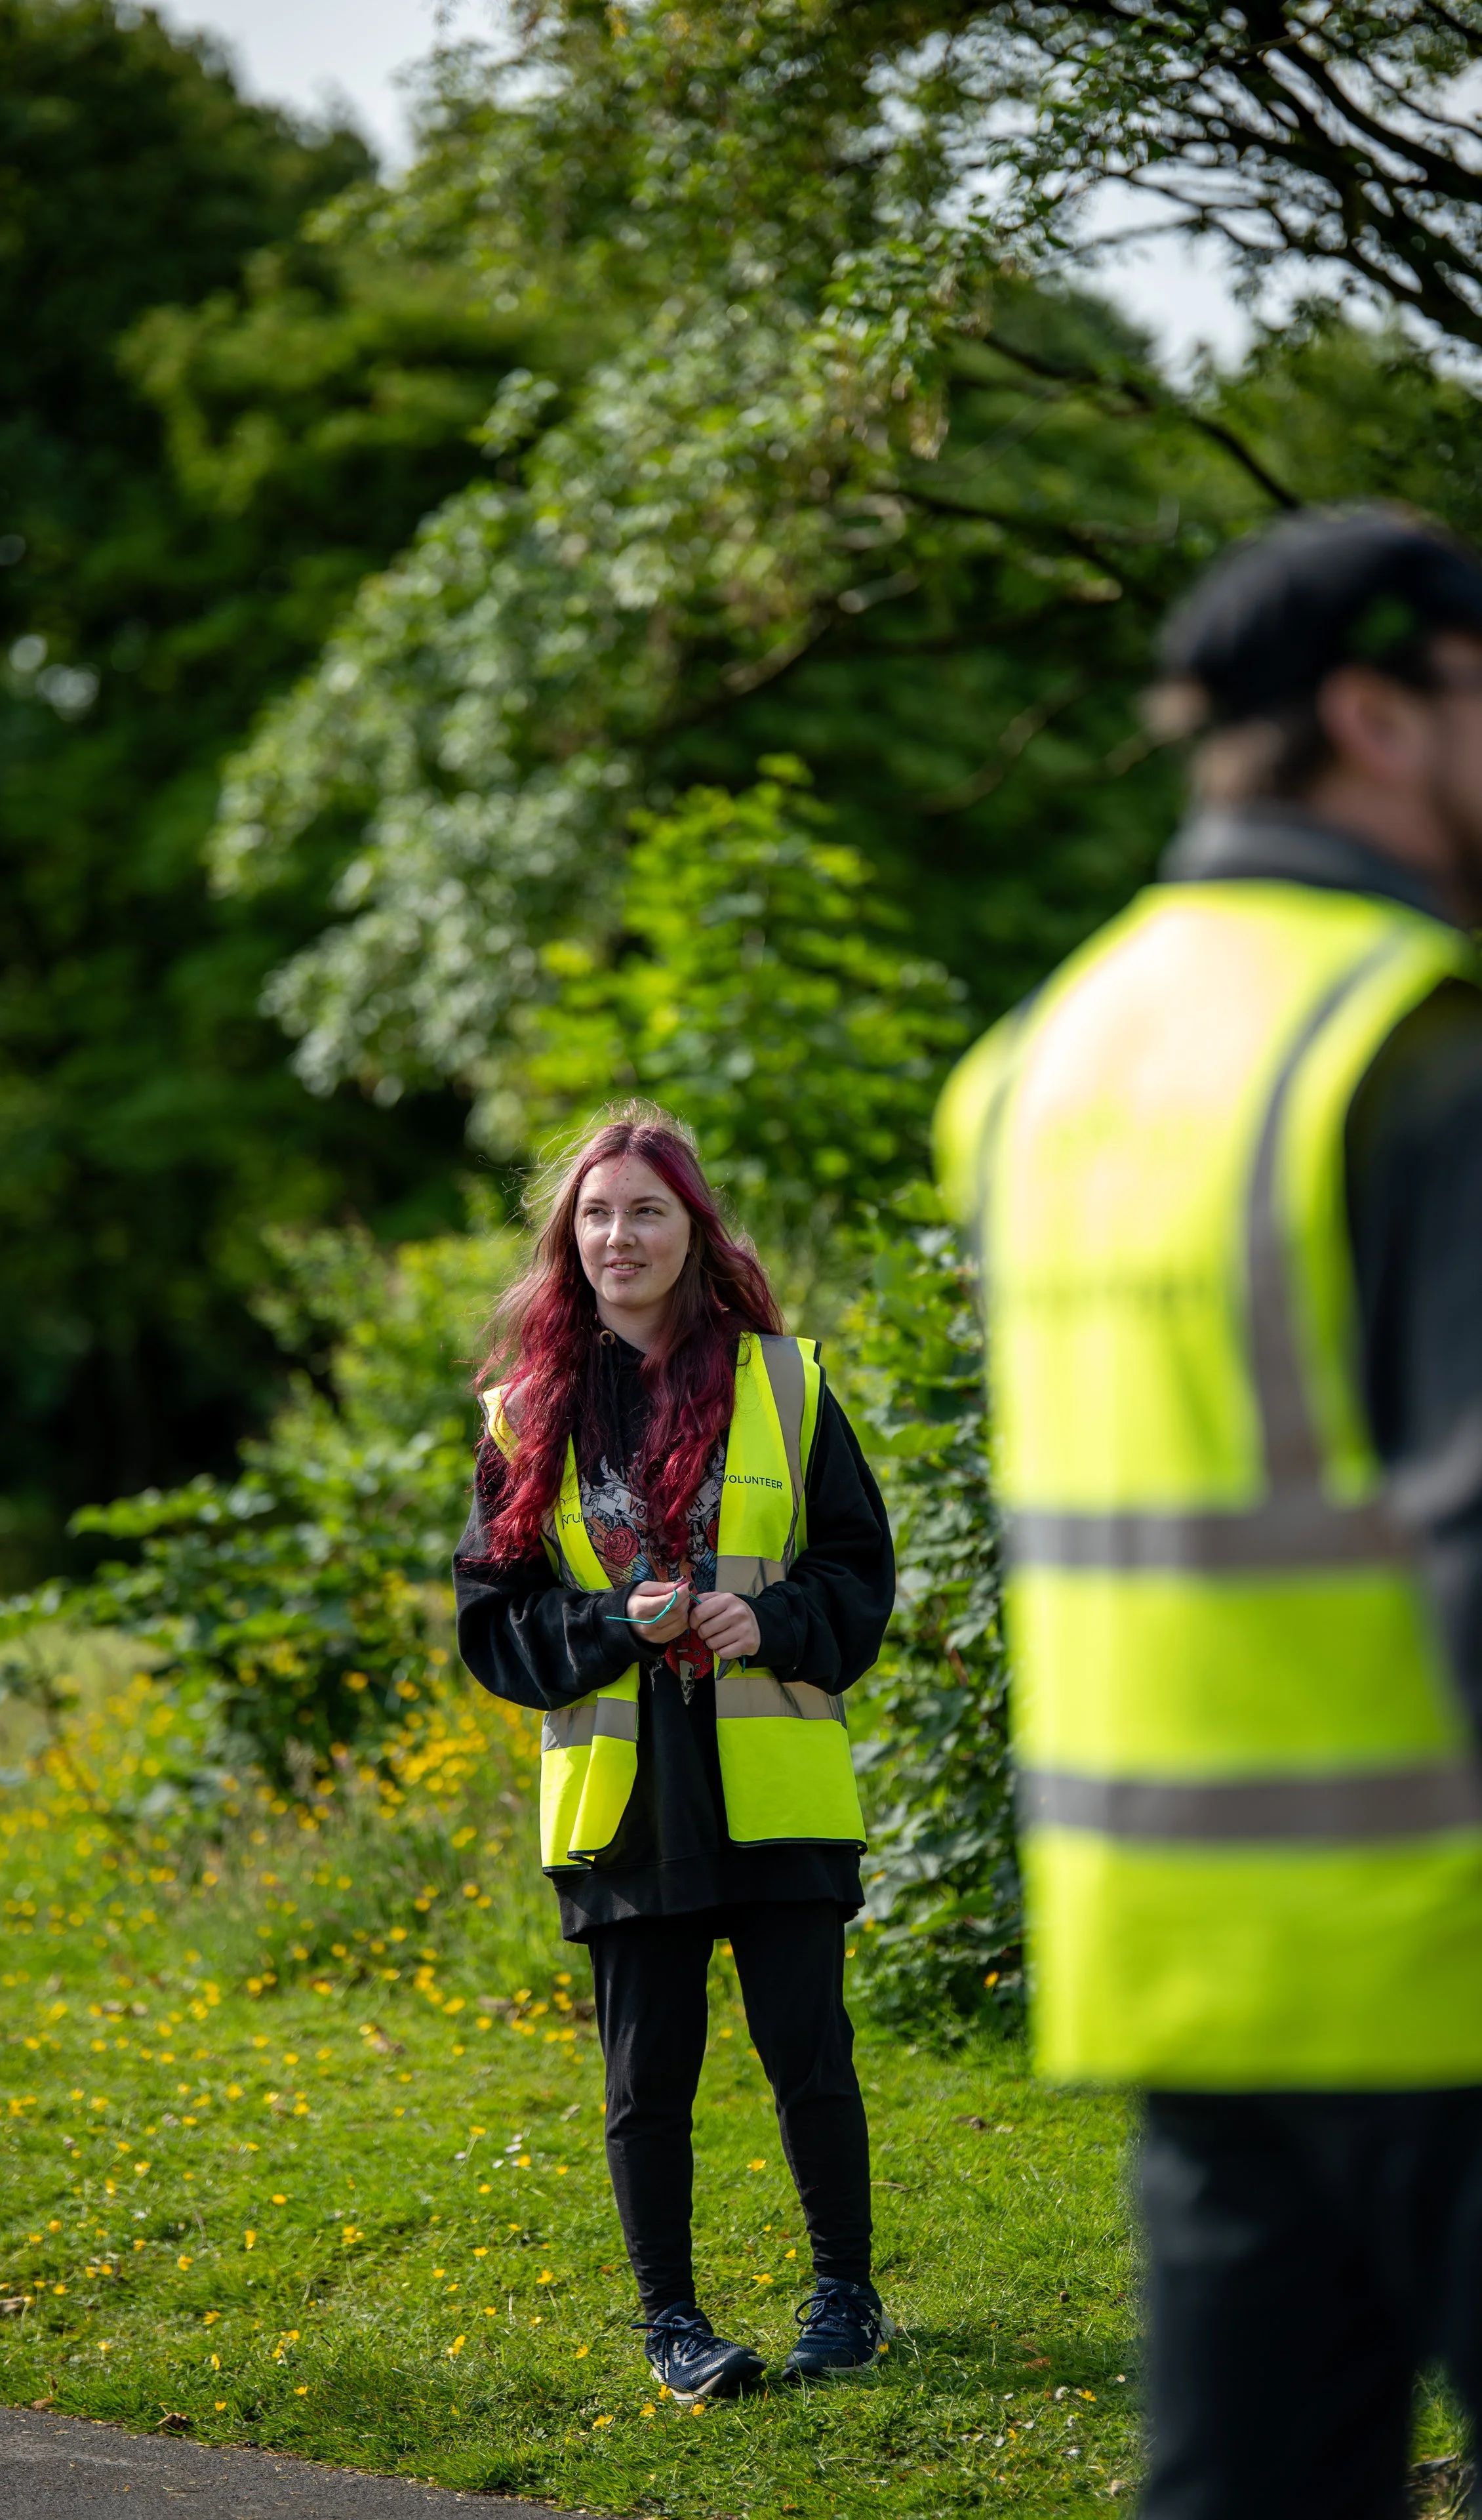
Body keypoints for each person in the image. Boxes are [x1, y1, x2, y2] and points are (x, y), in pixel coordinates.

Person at [936, 504, 1482, 2519]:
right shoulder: (1405, 1042)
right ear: (1376, 714)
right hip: (1448, 1975)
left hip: (1189, 1996)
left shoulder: (1039, 1063)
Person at [454, 1105, 896, 2401]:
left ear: (693, 1231)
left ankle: (845, 2300)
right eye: (594, 1213)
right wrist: (607, 1624)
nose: (616, 1234)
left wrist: (767, 1616)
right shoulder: (520, 1413)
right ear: (567, 1239)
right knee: (645, 2075)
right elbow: (493, 1627)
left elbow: (859, 1579)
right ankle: (674, 2326)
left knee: (806, 2050)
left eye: (644, 1209)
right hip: (622, 1800)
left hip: (777, 1783)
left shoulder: (789, 1383)